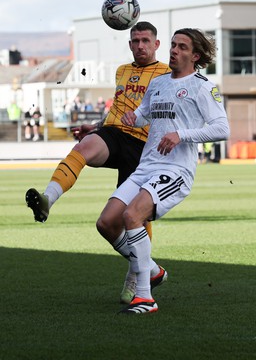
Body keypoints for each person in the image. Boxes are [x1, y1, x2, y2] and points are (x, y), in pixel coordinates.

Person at [25, 21, 171, 304]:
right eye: (135, 40)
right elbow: (118, 109)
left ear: (156, 45)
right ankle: (47, 199)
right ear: (129, 44)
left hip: (144, 148)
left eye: (145, 40)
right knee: (84, 146)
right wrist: (95, 125)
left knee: (112, 223)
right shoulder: (122, 71)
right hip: (115, 134)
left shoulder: (166, 74)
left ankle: (142, 271)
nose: (140, 45)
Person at [96, 28, 230, 315]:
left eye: (181, 47)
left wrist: (181, 135)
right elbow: (145, 113)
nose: (173, 50)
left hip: (176, 170)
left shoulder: (203, 86)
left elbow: (222, 128)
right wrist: (135, 116)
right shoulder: (157, 83)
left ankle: (145, 298)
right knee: (107, 223)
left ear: (195, 56)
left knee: (132, 216)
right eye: (173, 45)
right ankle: (153, 270)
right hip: (147, 166)